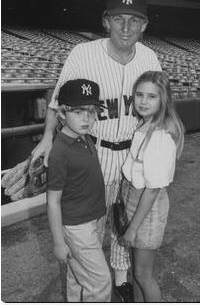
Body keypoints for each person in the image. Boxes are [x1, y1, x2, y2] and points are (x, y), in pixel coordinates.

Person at [32, 0, 162, 301]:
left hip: (133, 153)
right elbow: (56, 102)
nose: (127, 28)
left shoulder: (150, 57)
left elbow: (160, 106)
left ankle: (120, 280)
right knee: (89, 225)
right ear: (106, 21)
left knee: (125, 221)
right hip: (95, 151)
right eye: (119, 19)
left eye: (135, 20)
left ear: (144, 25)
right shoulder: (82, 54)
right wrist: (49, 137)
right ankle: (83, 285)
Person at [121, 71, 184, 302]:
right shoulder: (144, 124)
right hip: (136, 200)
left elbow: (153, 189)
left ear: (163, 100)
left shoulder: (159, 136)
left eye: (151, 96)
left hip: (147, 208)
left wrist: (133, 228)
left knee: (142, 274)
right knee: (136, 271)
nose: (143, 101)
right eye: (139, 94)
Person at [47, 79, 111, 302]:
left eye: (92, 111)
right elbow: (53, 201)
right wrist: (58, 242)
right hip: (77, 226)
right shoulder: (59, 152)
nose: (87, 118)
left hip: (95, 218)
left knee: (78, 277)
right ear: (63, 114)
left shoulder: (84, 137)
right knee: (100, 282)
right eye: (79, 111)